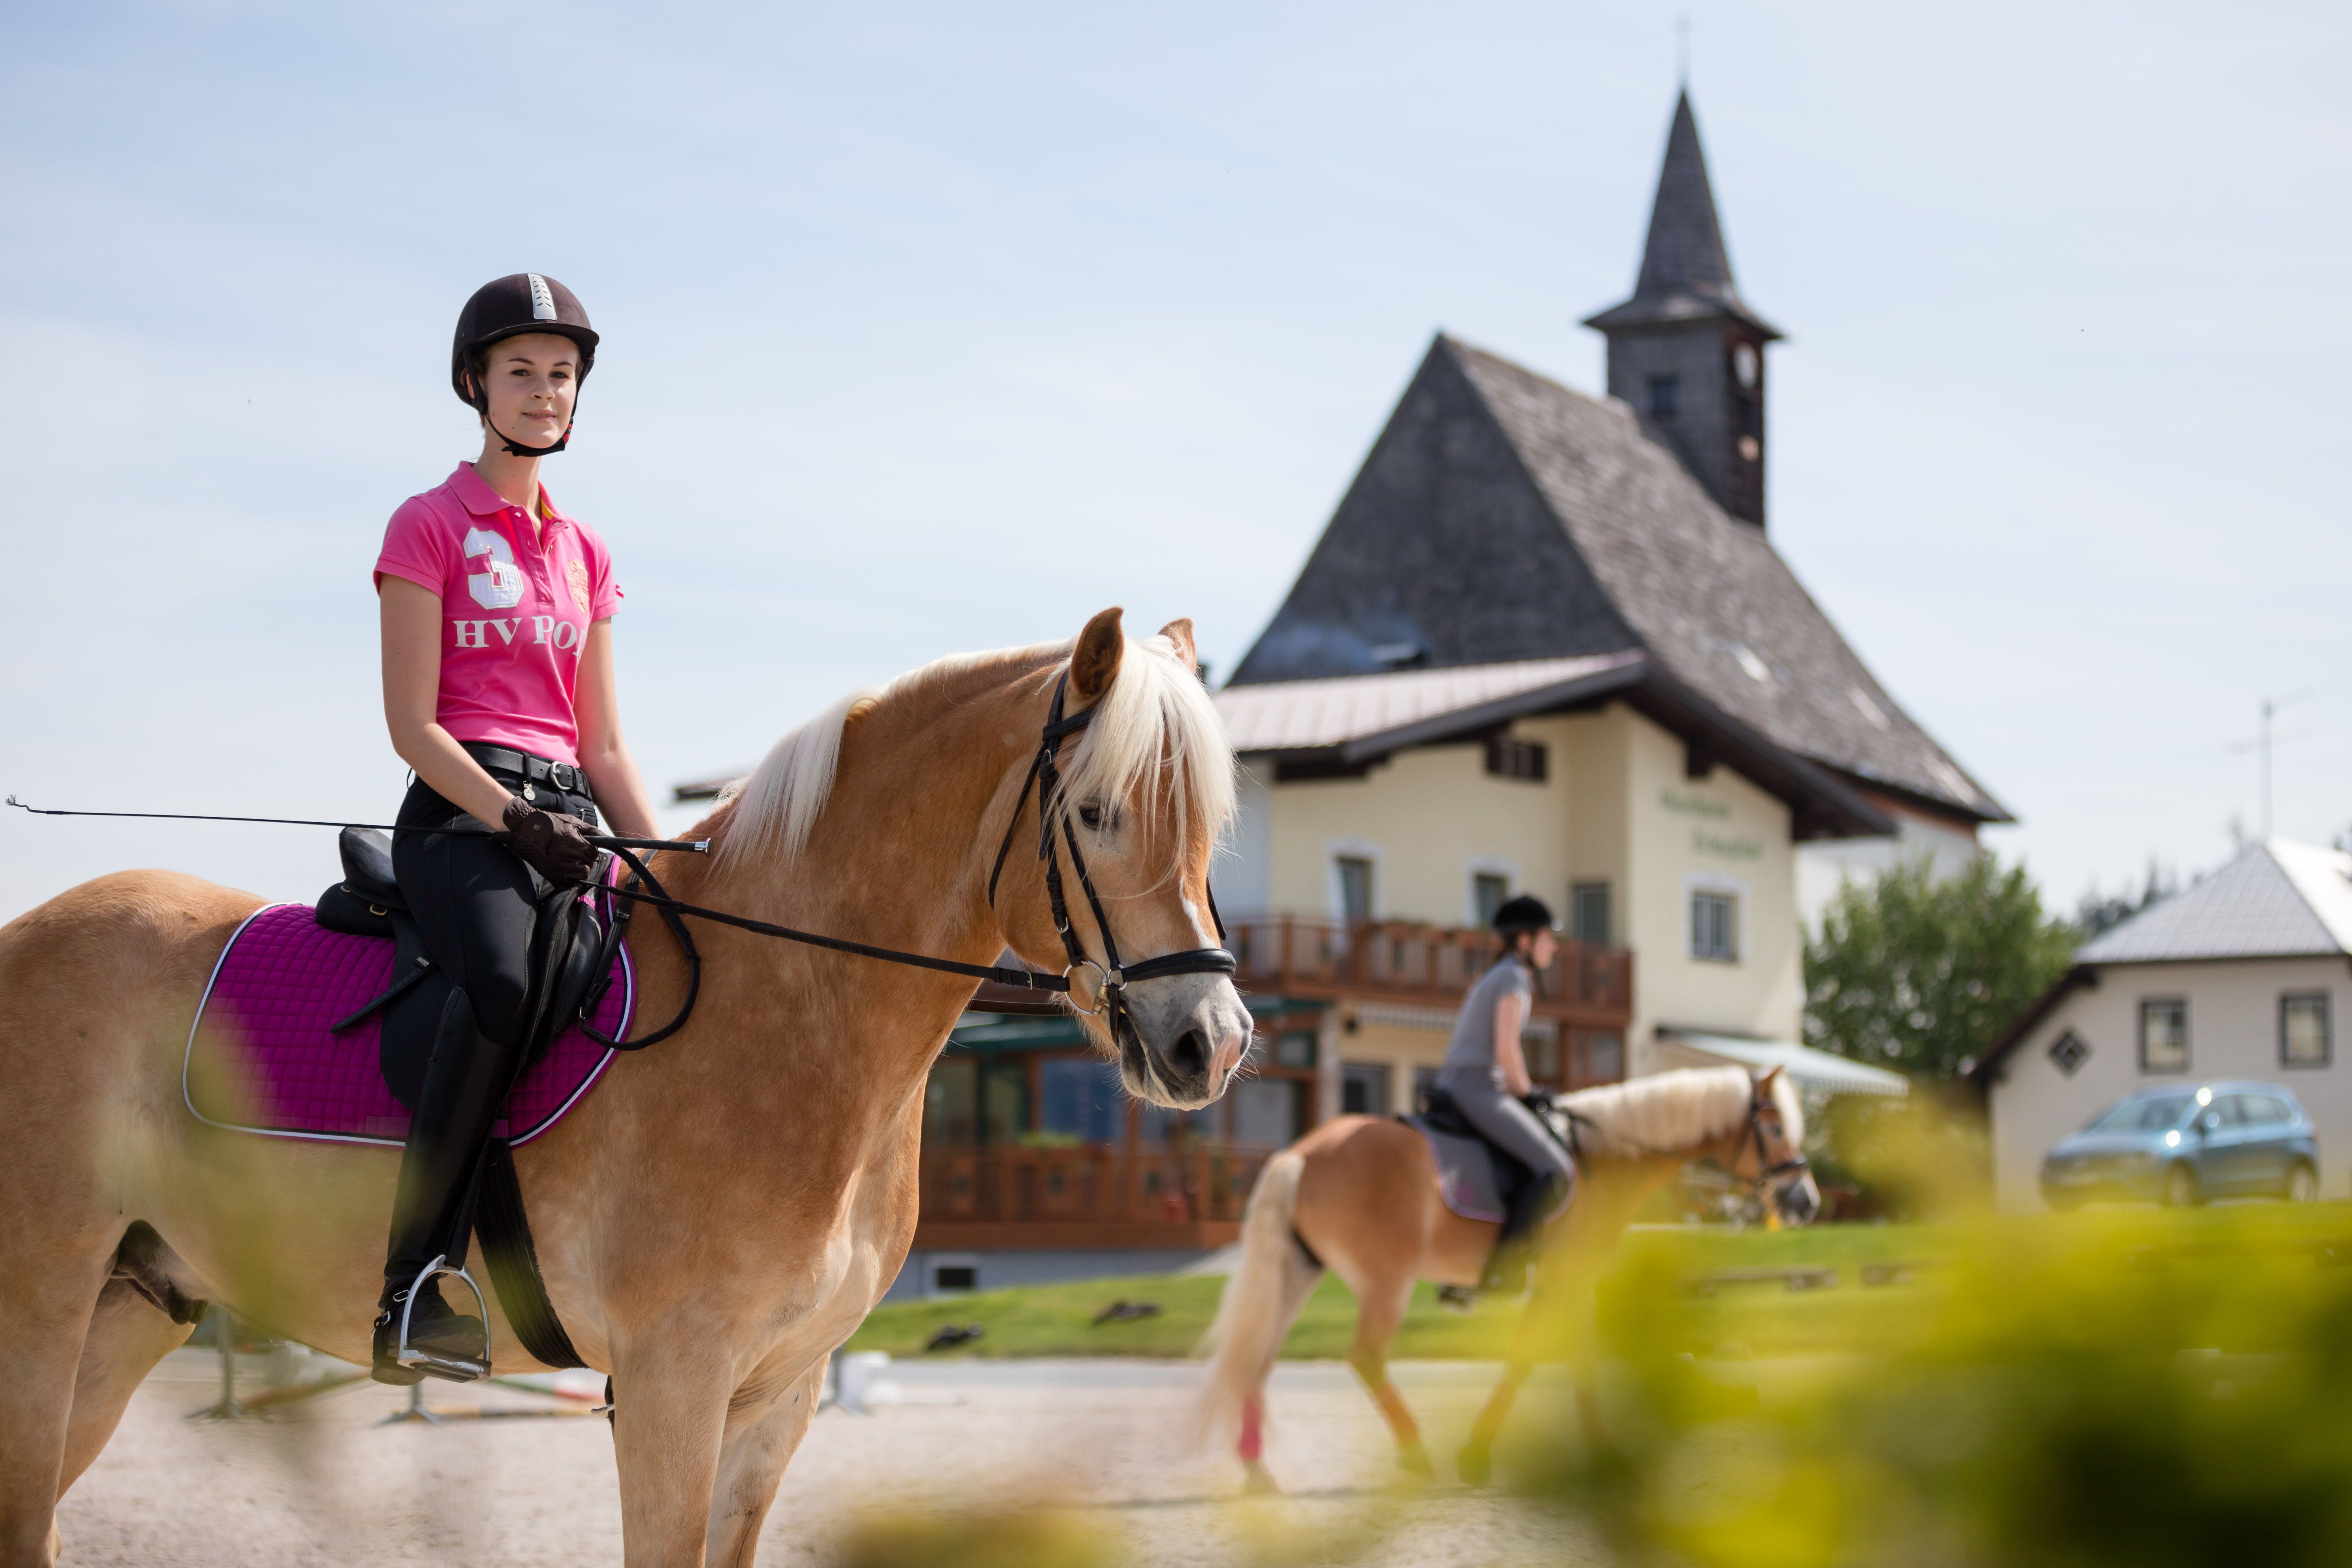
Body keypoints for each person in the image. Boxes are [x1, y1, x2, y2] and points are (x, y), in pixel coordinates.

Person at [368, 273, 662, 1383]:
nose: (545, 393)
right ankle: (415, 1285)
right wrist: (512, 819)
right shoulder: (428, 523)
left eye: (562, 375)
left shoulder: (583, 551)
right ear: (474, 384)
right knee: (498, 981)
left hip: (572, 821)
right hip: (461, 815)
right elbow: (410, 723)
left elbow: (606, 747)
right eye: (523, 373)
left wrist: (680, 860)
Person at [1437, 895, 1578, 1293]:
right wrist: (1528, 1093)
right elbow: (1505, 1048)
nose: (1554, 946)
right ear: (1525, 941)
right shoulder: (1514, 976)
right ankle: (1504, 1269)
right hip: (1478, 1085)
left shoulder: (1496, 973)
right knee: (1555, 1169)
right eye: (1548, 938)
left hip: (1463, 1081)